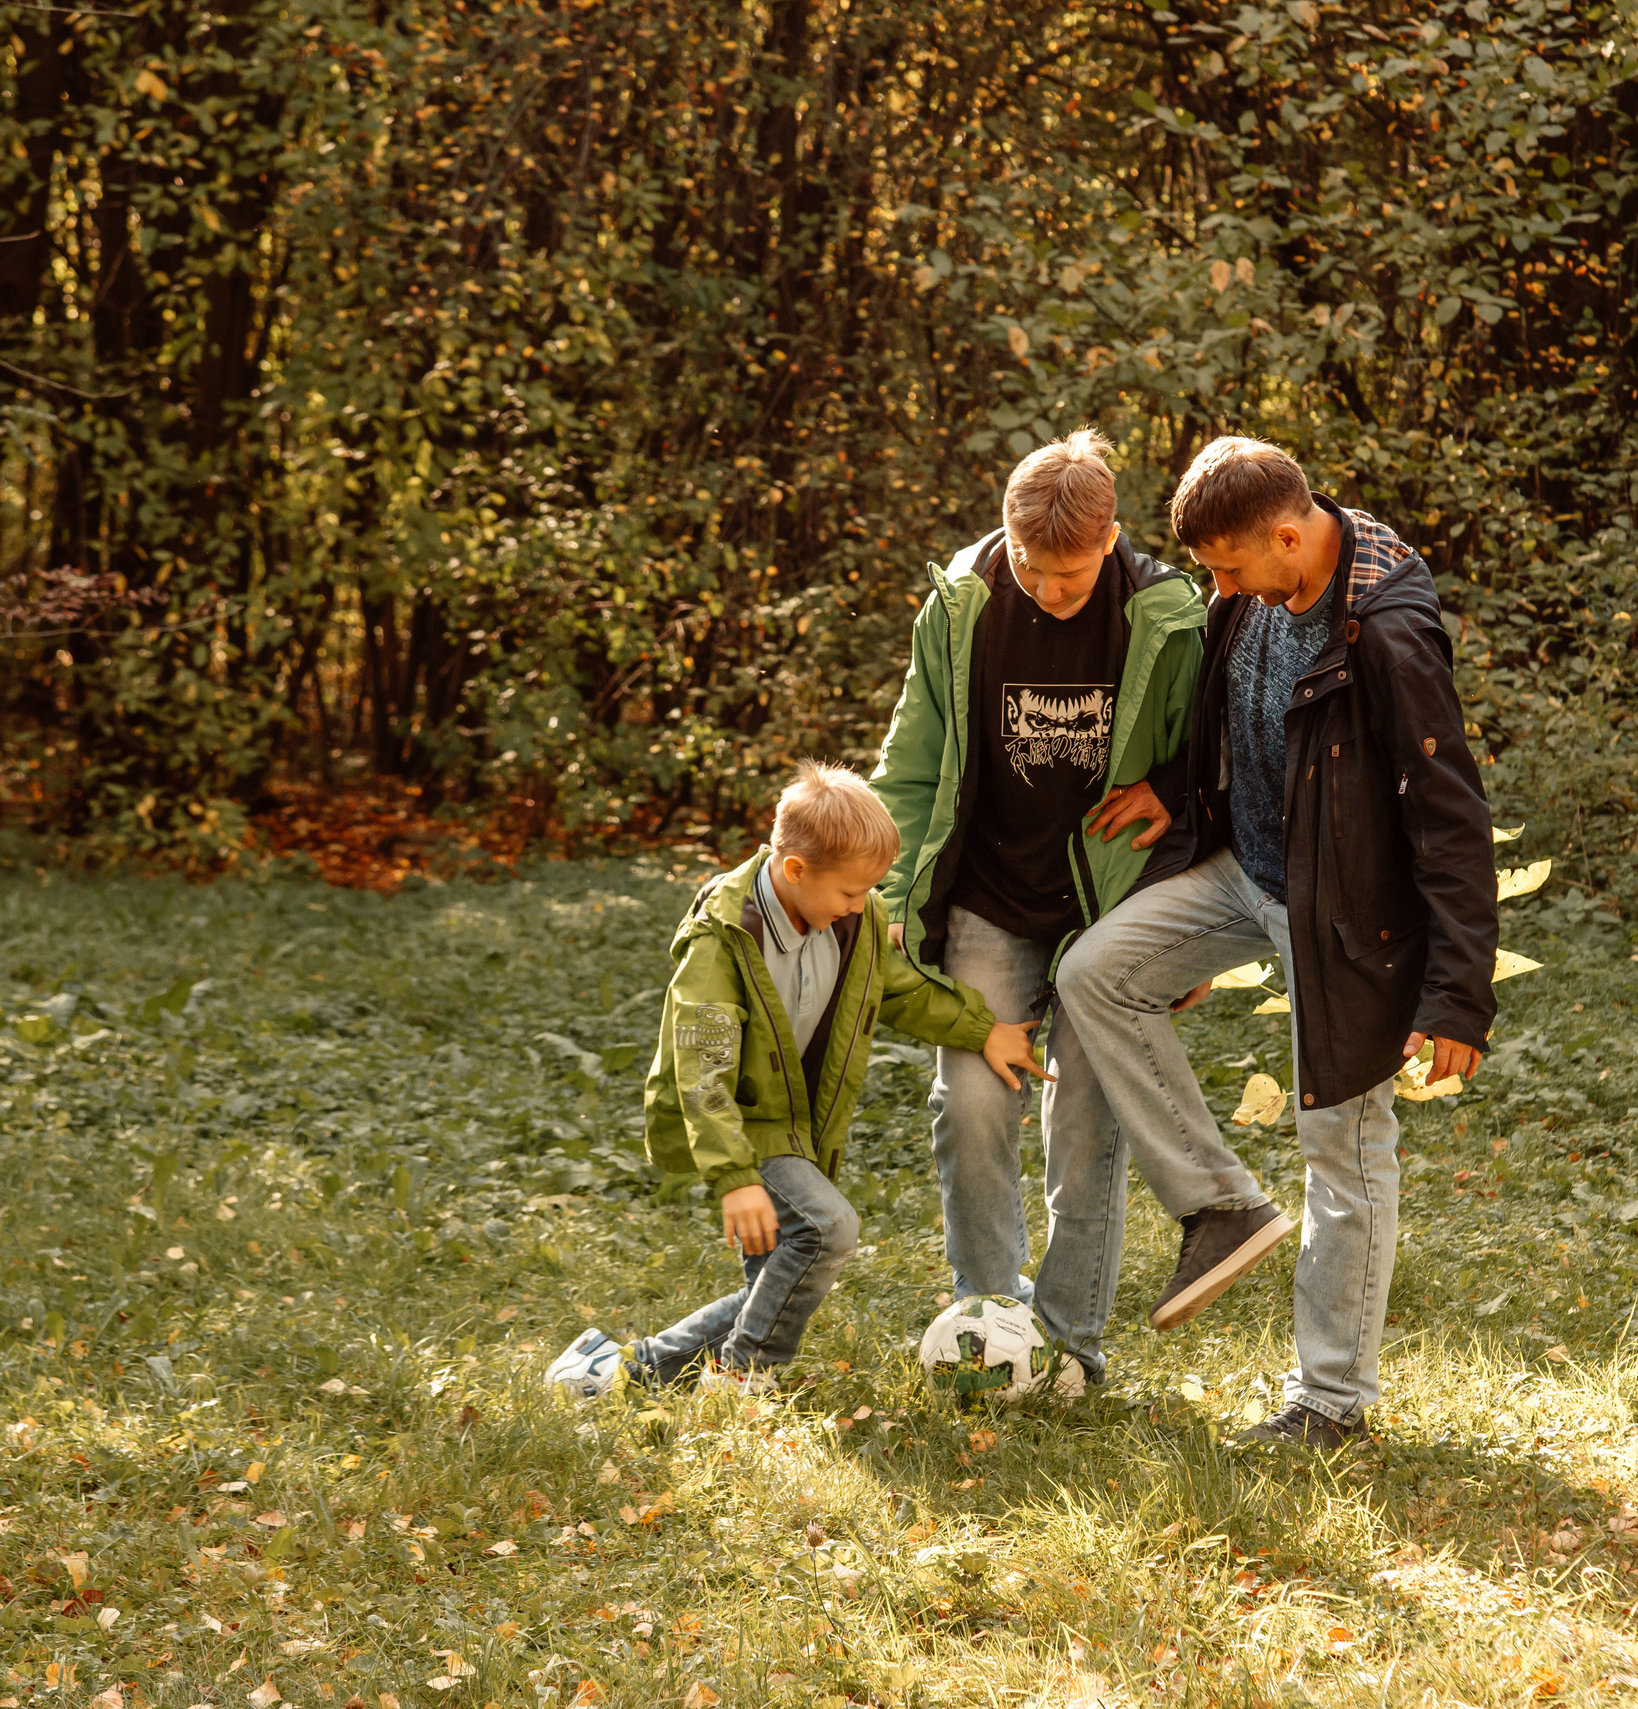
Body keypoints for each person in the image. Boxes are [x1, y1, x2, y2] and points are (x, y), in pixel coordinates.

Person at [1055, 436, 1502, 1447]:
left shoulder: (1388, 636)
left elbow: (1450, 820)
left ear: (1290, 538)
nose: (1218, 589)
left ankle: (1331, 1403)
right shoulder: (1249, 596)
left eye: (1229, 568)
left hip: (1341, 915)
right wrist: (1172, 795)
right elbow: (1241, 727)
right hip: (1243, 873)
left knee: (1343, 1148)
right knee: (1095, 973)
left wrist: (1457, 995)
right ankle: (1220, 1205)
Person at [869, 430, 1235, 1385]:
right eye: (1033, 567)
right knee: (971, 1103)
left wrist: (1182, 928)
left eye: (1070, 574)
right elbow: (913, 759)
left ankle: (1072, 1344)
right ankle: (991, 1322)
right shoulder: (963, 603)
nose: (1050, 590)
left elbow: (1214, 760)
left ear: (1111, 537)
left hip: (1109, 908)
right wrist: (895, 895)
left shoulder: (1166, 613)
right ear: (1006, 534)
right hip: (989, 898)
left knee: (1085, 1125)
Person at [545, 763, 1047, 1398]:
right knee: (828, 1229)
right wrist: (735, 1178)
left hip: (800, 1126)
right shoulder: (723, 940)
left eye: (869, 891)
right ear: (795, 870)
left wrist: (981, 1029)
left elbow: (899, 991)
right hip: (740, 1125)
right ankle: (743, 1376)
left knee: (773, 1285)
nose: (862, 904)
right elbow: (702, 1072)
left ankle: (618, 1369)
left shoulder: (854, 922)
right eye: (851, 892)